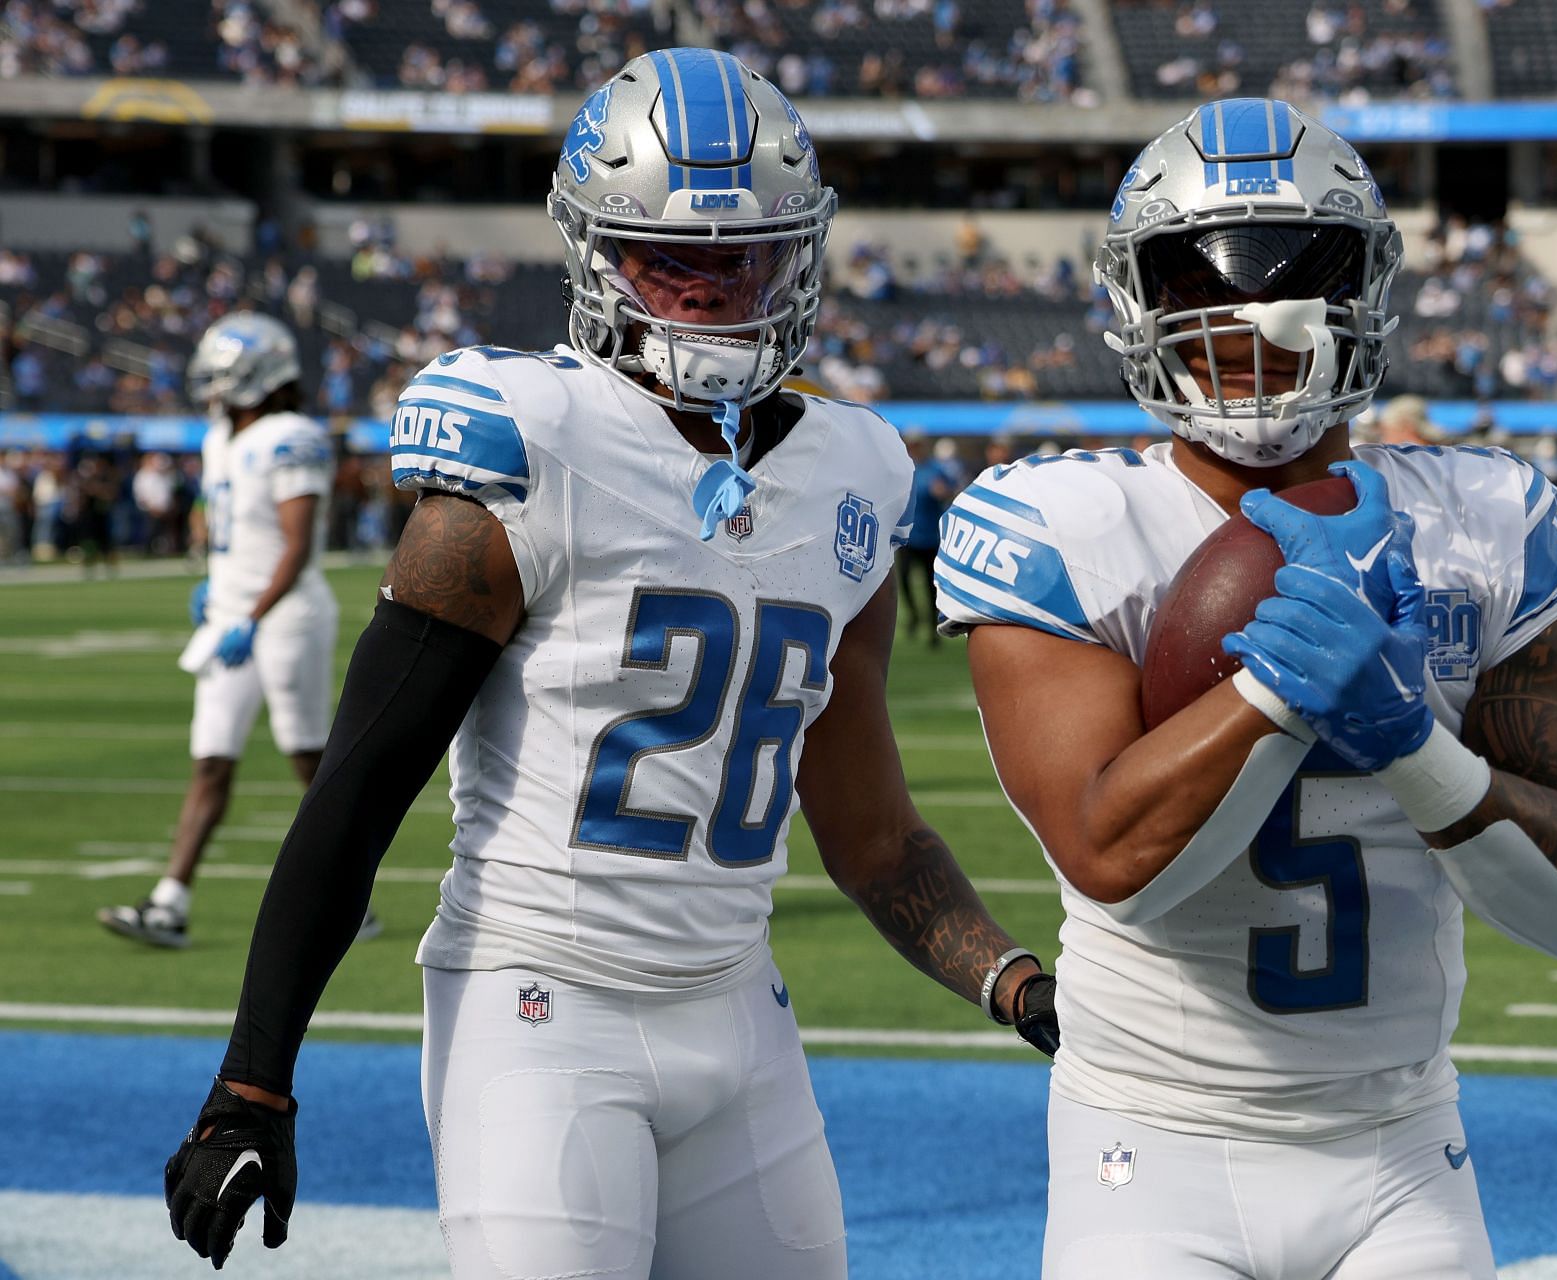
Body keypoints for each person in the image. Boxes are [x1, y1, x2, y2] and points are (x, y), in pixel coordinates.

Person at [161, 52, 1059, 1279]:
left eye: (746, 254)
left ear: (800, 252)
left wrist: (1015, 980)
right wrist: (250, 1083)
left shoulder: (859, 470)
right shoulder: (531, 442)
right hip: (538, 1006)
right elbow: (358, 789)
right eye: (669, 257)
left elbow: (875, 835)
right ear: (597, 251)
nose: (712, 289)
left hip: (740, 1008)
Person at [937, 98, 1557, 1279]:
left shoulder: (1489, 520)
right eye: (1197, 280)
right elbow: (1118, 864)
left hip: (1400, 1139)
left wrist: (1412, 743)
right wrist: (1278, 689)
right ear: (1139, 303)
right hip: (1151, 1142)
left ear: (1366, 288)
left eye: (1297, 274)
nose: (1249, 320)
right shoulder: (1062, 522)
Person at [98, 314, 366, 949]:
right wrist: (216, 586)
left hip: (284, 616)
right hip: (233, 619)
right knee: (211, 760)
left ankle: (352, 891)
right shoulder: (221, 437)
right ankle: (170, 902)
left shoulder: (290, 435)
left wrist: (250, 611)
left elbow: (296, 547)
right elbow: (222, 521)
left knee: (307, 760)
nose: (217, 389)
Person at [896, 430, 956, 645]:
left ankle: (932, 628)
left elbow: (952, 491)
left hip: (931, 537)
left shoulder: (936, 469)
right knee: (903, 580)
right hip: (908, 538)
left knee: (931, 586)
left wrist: (943, 492)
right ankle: (914, 616)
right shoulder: (905, 469)